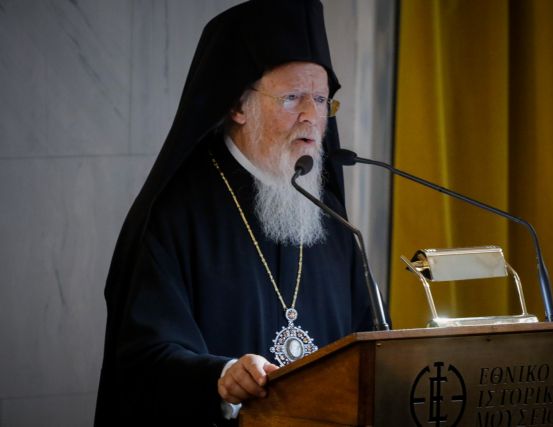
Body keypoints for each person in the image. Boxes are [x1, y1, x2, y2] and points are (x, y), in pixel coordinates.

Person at [94, 1, 378, 425]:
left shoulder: (332, 219)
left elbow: (370, 340)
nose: (311, 116)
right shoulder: (176, 213)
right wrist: (222, 376)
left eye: (321, 99)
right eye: (292, 98)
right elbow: (142, 354)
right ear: (238, 106)